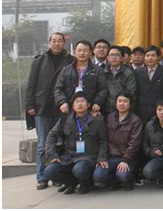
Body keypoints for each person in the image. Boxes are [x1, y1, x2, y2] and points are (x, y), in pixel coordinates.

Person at [26, 32, 75, 190]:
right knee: (42, 144)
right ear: (49, 43)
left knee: (60, 143)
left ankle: (56, 176)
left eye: (59, 41)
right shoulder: (40, 61)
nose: (56, 44)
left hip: (62, 108)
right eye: (54, 41)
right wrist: (30, 105)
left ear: (64, 43)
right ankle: (42, 177)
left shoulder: (71, 60)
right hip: (42, 108)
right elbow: (31, 84)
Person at [43, 92, 108, 195]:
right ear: (73, 106)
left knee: (79, 170)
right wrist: (52, 154)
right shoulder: (65, 119)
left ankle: (85, 183)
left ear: (88, 104)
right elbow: (51, 136)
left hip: (88, 157)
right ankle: (71, 183)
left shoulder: (97, 120)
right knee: (49, 171)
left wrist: (102, 157)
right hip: (69, 156)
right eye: (77, 102)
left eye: (82, 101)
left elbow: (103, 141)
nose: (80, 104)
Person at [92, 91, 143, 190]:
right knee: (98, 176)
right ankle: (115, 182)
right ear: (115, 103)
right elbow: (103, 139)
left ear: (130, 104)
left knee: (122, 175)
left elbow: (135, 143)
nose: (121, 104)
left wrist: (125, 160)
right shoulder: (110, 117)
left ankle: (128, 180)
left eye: (125, 101)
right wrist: (102, 157)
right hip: (111, 157)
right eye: (119, 101)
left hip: (128, 158)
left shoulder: (135, 120)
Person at [54, 40, 108, 118]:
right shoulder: (66, 70)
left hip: (90, 110)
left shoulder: (98, 70)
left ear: (90, 52)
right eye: (79, 50)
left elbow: (103, 89)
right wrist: (62, 102)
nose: (82, 53)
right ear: (75, 52)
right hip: (69, 109)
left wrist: (97, 103)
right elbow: (58, 88)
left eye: (85, 51)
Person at [134, 46, 163, 124]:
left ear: (158, 57)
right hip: (142, 112)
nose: (150, 58)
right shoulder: (138, 72)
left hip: (160, 112)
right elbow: (136, 92)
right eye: (147, 55)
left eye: (153, 55)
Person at [102, 45, 137, 114]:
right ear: (107, 58)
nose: (114, 57)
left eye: (117, 55)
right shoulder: (103, 72)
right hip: (105, 110)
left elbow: (131, 93)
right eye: (111, 55)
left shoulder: (128, 74)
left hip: (122, 110)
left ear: (121, 58)